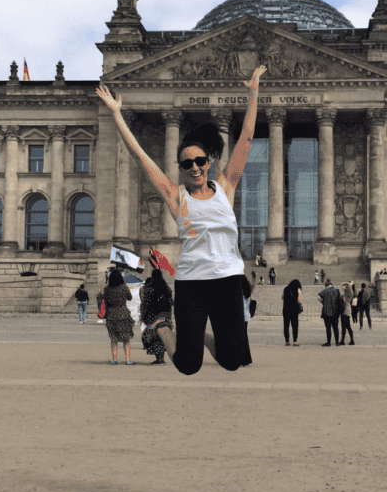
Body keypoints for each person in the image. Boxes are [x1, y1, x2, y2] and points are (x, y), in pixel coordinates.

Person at [97, 65, 266, 375]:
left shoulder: (226, 187)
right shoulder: (177, 197)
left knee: (232, 360)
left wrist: (253, 91)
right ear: (181, 167)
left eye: (200, 160)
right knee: (188, 365)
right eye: (187, 163)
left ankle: (195, 334)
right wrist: (117, 114)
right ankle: (161, 326)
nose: (195, 167)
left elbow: (247, 138)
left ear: (209, 161)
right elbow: (141, 159)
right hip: (192, 282)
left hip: (228, 281)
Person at [140, 269, 172, 365]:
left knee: (154, 337)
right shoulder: (166, 287)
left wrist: (144, 316)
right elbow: (171, 302)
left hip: (153, 315)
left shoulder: (149, 288)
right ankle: (162, 358)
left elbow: (146, 304)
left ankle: (159, 359)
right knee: (162, 336)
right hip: (165, 315)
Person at [103, 269, 135, 365]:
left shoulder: (106, 289)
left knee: (114, 338)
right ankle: (128, 359)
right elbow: (130, 298)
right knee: (126, 338)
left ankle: (115, 359)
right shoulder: (124, 287)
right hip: (123, 315)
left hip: (111, 315)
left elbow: (106, 301)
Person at [317, 280, 343, 346]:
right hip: (335, 312)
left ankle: (329, 342)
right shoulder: (336, 290)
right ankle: (337, 342)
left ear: (326, 286)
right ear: (331, 285)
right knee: (336, 328)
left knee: (328, 328)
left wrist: (323, 302)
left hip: (326, 312)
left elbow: (318, 296)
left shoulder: (324, 291)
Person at [282, 279, 302, 346]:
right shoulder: (297, 289)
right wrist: (299, 294)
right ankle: (295, 341)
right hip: (294, 310)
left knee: (286, 326)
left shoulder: (286, 289)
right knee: (295, 326)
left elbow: (282, 298)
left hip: (286, 310)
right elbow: (298, 301)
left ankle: (287, 341)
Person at [240, 275, 254, 366]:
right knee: (244, 336)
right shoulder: (247, 293)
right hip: (246, 317)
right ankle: (246, 358)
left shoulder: (238, 293)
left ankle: (241, 358)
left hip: (239, 316)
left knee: (238, 337)